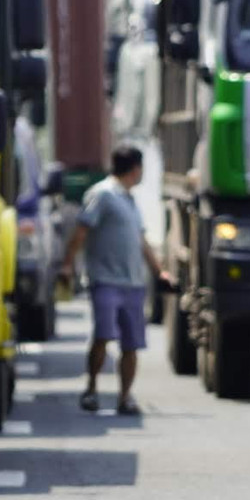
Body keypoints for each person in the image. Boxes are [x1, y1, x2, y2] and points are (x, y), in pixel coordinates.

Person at [59, 144, 173, 415]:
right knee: (103, 335)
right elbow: (81, 231)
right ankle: (91, 389)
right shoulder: (102, 194)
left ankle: (125, 397)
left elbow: (142, 241)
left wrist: (159, 271)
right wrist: (67, 265)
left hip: (133, 283)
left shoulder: (130, 199)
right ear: (135, 168)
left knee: (131, 344)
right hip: (105, 280)